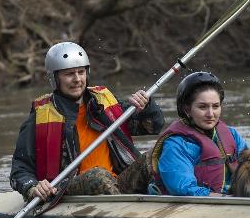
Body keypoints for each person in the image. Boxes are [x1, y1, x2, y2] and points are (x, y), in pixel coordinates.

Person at [10, 42, 164, 203]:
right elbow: (20, 169)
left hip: (118, 183)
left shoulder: (104, 102)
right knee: (98, 176)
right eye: (69, 74)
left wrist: (146, 107)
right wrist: (32, 187)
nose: (77, 79)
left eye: (81, 72)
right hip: (66, 189)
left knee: (158, 154)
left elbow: (153, 126)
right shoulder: (39, 117)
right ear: (54, 78)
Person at [148, 71, 249, 196]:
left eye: (216, 106)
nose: (211, 114)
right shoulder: (176, 144)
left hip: (230, 198)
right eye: (203, 107)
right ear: (187, 109)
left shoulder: (232, 134)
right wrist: (223, 198)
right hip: (194, 206)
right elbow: (182, 188)